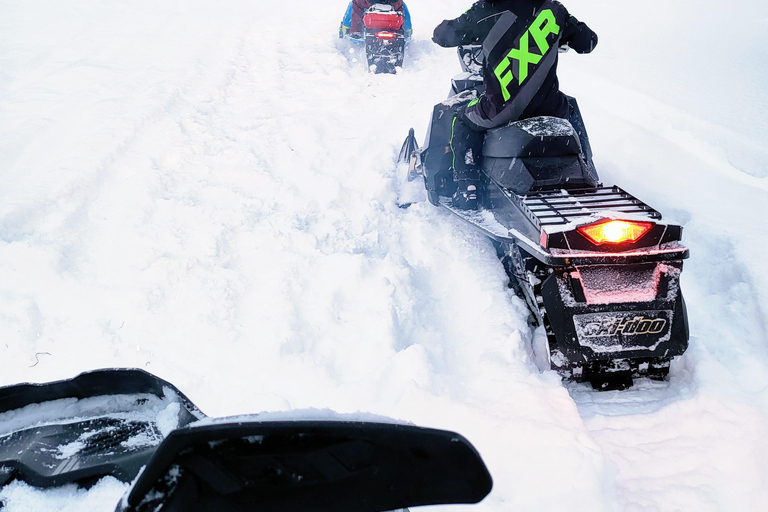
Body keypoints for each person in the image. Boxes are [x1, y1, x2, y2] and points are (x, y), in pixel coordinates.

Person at [432, 0, 597, 209]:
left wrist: (440, 29)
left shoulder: (487, 9)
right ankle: (587, 166)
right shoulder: (554, 9)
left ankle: (468, 187)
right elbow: (588, 42)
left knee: (463, 119)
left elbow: (446, 35)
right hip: (550, 108)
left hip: (502, 109)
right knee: (571, 106)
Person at [340, 0, 413, 40]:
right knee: (401, 7)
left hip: (371, 2)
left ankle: (356, 31)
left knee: (356, 4)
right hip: (392, 3)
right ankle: (405, 31)